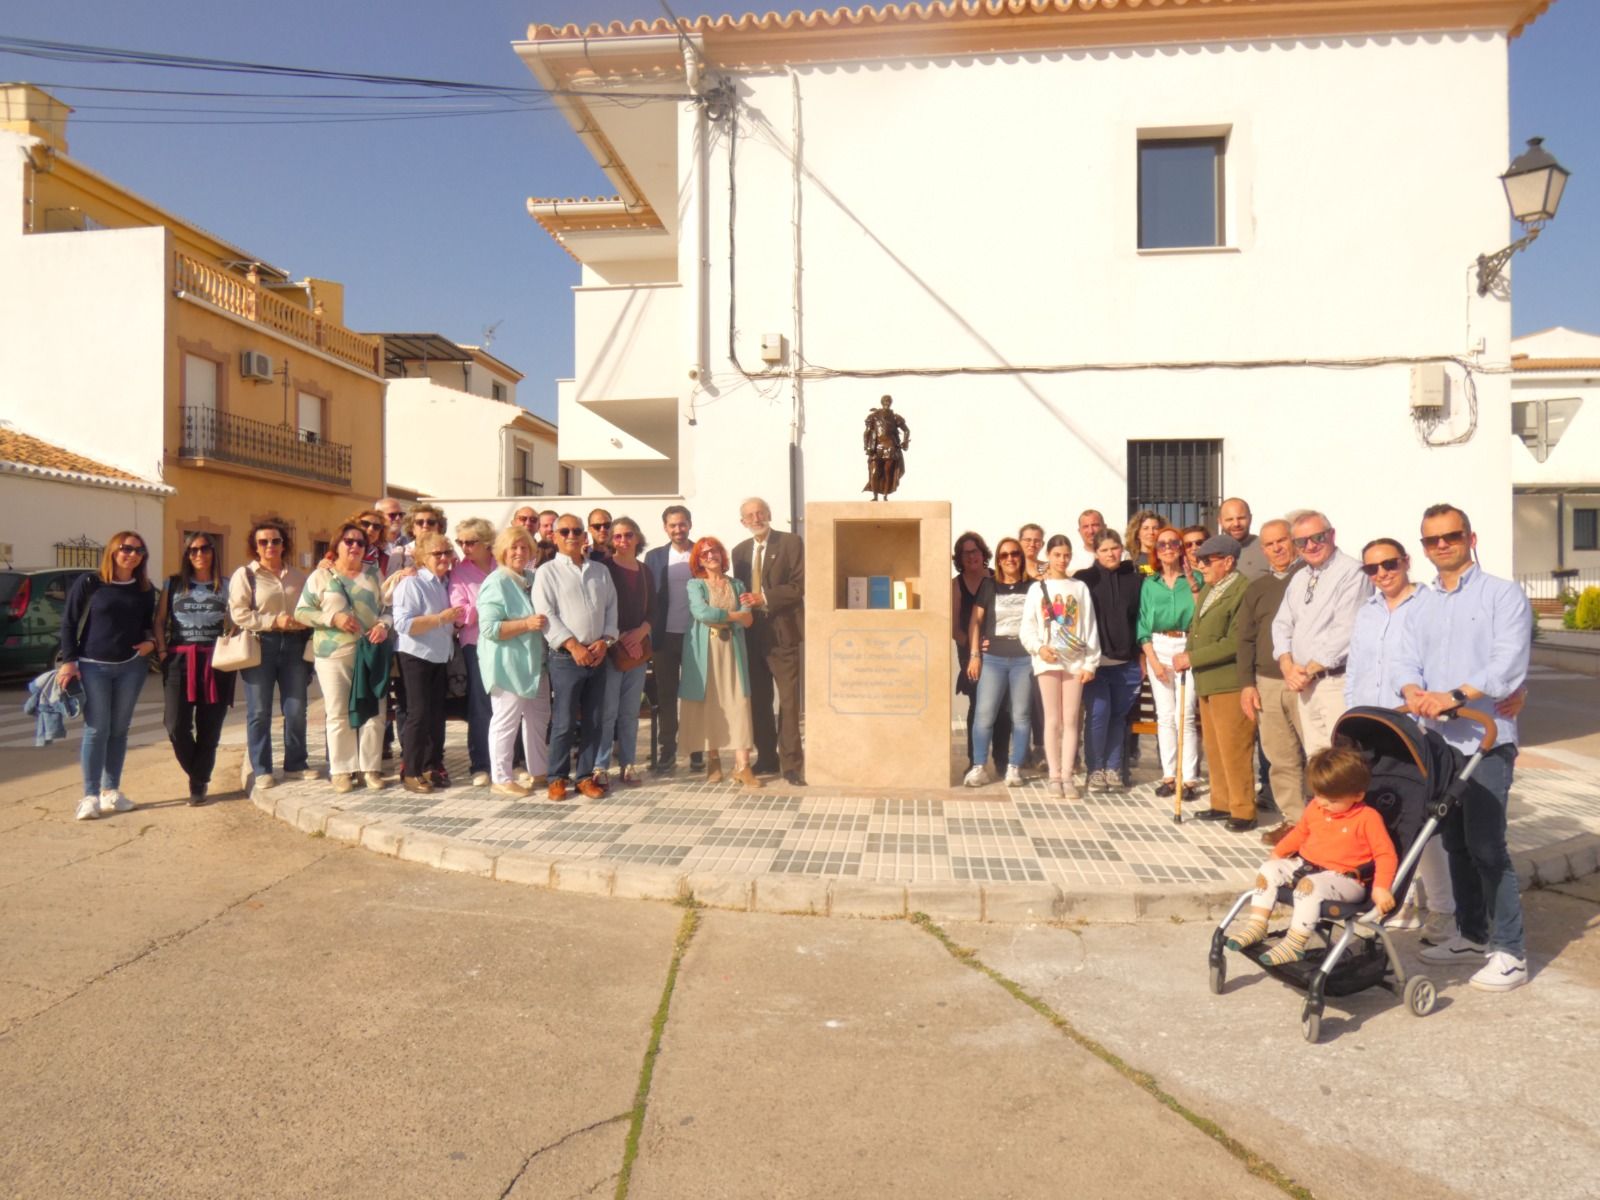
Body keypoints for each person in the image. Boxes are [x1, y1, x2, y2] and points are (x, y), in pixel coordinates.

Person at [1398, 505, 1534, 992]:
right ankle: (1473, 935)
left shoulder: (1503, 595)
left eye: (1450, 536)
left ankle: (1511, 951)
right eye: (1431, 539)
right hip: (1438, 743)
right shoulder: (1422, 604)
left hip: (1485, 739)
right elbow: (1405, 659)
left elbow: (1508, 666)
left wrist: (1454, 697)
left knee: (1486, 847)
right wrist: (1412, 691)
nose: (1441, 546)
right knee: (1453, 842)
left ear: (1470, 538)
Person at [1224, 747, 1397, 965]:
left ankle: (1294, 944)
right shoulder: (1317, 807)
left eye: (1332, 800)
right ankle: (1257, 925)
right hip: (1309, 868)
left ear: (1358, 795)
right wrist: (1279, 853)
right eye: (1318, 795)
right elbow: (1300, 833)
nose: (1323, 803)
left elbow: (1385, 855)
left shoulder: (1367, 818)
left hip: (1346, 881)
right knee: (1268, 870)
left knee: (1309, 886)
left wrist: (1381, 887)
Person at [58, 531, 158, 821]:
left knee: (119, 730)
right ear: (113, 550)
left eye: (140, 551)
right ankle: (89, 796)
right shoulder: (90, 583)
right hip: (92, 666)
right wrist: (69, 661)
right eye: (126, 548)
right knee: (96, 729)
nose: (132, 554)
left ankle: (111, 790)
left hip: (131, 666)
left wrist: (150, 644)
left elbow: (147, 625)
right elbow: (69, 622)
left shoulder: (143, 588)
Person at [296, 522, 390, 795]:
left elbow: (388, 609)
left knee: (375, 709)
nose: (355, 547)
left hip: (370, 651)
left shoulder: (374, 574)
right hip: (333, 653)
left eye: (361, 543)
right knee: (338, 712)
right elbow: (302, 612)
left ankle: (370, 768)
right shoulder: (321, 577)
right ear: (336, 545)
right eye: (349, 541)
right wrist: (332, 618)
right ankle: (342, 770)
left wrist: (383, 626)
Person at [1271, 511, 1371, 755]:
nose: (1311, 545)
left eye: (1318, 537)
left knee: (1341, 760)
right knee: (1316, 760)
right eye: (1302, 541)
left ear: (1332, 535)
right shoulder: (1300, 577)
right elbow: (1281, 623)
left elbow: (1346, 631)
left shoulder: (1353, 572)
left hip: (1335, 683)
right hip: (1304, 685)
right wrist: (1286, 664)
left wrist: (1306, 671)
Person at [535, 514, 619, 801]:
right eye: (565, 531)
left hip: (598, 655)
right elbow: (546, 614)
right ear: (555, 537)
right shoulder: (547, 572)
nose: (572, 535)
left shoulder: (600, 571)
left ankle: (584, 777)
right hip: (566, 657)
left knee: (594, 719)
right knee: (564, 720)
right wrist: (573, 646)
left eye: (577, 530)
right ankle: (557, 777)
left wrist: (605, 641)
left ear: (585, 536)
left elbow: (611, 608)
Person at [1174, 534, 1255, 830]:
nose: (1201, 566)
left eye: (1207, 561)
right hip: (1207, 680)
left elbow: (1235, 641)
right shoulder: (1210, 588)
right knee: (1216, 747)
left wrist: (1192, 659)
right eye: (1199, 561)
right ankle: (1221, 802)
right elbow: (1198, 629)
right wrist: (1188, 653)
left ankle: (1244, 810)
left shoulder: (1243, 590)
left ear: (1228, 561)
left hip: (1230, 680)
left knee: (1235, 748)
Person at [1236, 519, 1306, 845]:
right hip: (1267, 681)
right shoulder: (1257, 589)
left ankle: (1323, 825)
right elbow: (1246, 639)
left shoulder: (1309, 579)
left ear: (1293, 541)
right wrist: (1247, 684)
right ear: (1262, 550)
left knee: (1318, 755)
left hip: (1305, 681)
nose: (1277, 548)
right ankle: (1294, 822)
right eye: (1269, 544)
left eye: (1282, 541)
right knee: (1281, 758)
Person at [154, 533, 236, 805]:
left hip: (216, 660)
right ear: (187, 555)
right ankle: (199, 772)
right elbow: (160, 620)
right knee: (175, 724)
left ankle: (197, 783)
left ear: (214, 552)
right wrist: (163, 652)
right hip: (180, 658)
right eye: (193, 550)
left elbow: (236, 620)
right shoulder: (174, 583)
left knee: (210, 726)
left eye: (204, 549)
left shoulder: (226, 585)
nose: (199, 554)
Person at [230, 520, 312, 790]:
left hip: (294, 646)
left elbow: (309, 608)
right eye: (263, 542)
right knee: (259, 710)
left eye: (275, 541)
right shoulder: (246, 575)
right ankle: (262, 768)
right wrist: (273, 621)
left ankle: (296, 764)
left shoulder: (299, 577)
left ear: (283, 544)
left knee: (297, 708)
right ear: (255, 547)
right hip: (260, 644)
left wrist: (303, 621)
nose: (270, 546)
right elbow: (239, 613)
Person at [734, 497, 806, 785]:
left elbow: (799, 586)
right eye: (750, 515)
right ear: (743, 522)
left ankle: (791, 765)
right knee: (759, 701)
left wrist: (764, 598)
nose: (756, 518)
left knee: (788, 702)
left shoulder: (790, 543)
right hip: (750, 636)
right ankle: (767, 757)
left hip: (783, 635)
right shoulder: (738, 552)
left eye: (760, 512)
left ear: (769, 514)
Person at [1021, 535, 1099, 798]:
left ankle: (1068, 775)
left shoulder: (1080, 588)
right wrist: (1039, 648)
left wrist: (1091, 662)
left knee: (1071, 720)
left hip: (1075, 661)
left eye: (1066, 555)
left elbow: (1089, 626)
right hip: (1048, 661)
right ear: (1049, 555)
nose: (1062, 559)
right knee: (1052, 720)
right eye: (1057, 555)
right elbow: (1028, 627)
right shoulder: (1037, 589)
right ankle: (1054, 775)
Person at [681, 536, 762, 787]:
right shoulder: (695, 585)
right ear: (698, 560)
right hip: (706, 651)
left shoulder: (737, 584)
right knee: (710, 703)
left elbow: (748, 620)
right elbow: (701, 613)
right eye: (704, 554)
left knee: (739, 702)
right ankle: (713, 760)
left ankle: (742, 766)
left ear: (721, 555)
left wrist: (735, 616)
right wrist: (734, 615)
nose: (710, 556)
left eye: (714, 551)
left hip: (733, 650)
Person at [476, 527, 550, 797]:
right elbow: (489, 628)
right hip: (507, 664)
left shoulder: (531, 578)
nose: (519, 552)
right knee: (506, 721)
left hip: (535, 664)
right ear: (502, 552)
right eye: (513, 548)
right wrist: (526, 624)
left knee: (539, 718)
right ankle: (502, 777)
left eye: (524, 548)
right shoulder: (496, 581)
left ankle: (539, 771)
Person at [391, 533, 461, 795]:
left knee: (435, 715)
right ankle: (411, 771)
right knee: (418, 714)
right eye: (437, 554)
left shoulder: (444, 583)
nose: (444, 558)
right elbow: (404, 624)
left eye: (447, 552)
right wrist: (441, 619)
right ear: (422, 556)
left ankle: (431, 765)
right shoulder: (412, 584)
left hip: (439, 655)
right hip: (416, 655)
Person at [963, 537, 1034, 787]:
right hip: (992, 658)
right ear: (998, 560)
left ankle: (1014, 767)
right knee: (984, 714)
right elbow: (975, 621)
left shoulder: (1034, 587)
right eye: (1004, 555)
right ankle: (979, 766)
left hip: (1024, 659)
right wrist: (975, 655)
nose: (1010, 559)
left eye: (1014, 554)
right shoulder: (989, 586)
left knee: (1021, 715)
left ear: (1021, 557)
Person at [1076, 530, 1142, 791]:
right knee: (1098, 715)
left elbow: (1140, 617)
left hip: (1126, 663)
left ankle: (1113, 769)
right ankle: (1094, 770)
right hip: (1096, 664)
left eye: (1115, 548)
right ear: (1095, 552)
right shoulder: (1084, 580)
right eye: (1104, 550)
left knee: (1118, 717)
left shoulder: (1134, 579)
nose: (1111, 554)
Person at [1137, 526, 1199, 799]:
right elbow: (1142, 626)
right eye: (1162, 545)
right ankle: (1169, 774)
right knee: (1165, 716)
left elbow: (1202, 613)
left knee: (1185, 715)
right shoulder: (1150, 584)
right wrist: (1154, 662)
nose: (1168, 548)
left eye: (1174, 543)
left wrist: (1192, 581)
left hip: (1187, 646)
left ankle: (1190, 778)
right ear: (1155, 552)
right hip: (1159, 647)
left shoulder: (1195, 579)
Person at [600, 517, 654, 785]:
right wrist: (621, 637)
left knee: (630, 712)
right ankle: (600, 766)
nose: (623, 540)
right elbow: (598, 608)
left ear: (637, 538)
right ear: (611, 541)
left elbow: (654, 608)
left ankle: (628, 764)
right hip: (611, 648)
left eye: (628, 535)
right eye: (618, 536)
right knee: (607, 711)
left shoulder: (645, 571)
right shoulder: (603, 568)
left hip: (637, 652)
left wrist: (641, 633)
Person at [644, 505, 699, 773]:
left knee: (695, 696)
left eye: (682, 524)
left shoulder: (701, 553)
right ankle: (668, 750)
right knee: (666, 696)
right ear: (665, 528)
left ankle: (697, 750)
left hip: (696, 637)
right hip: (664, 637)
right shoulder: (654, 557)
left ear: (690, 524)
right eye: (673, 525)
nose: (678, 529)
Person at [449, 518, 497, 787]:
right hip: (475, 644)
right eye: (461, 542)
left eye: (471, 542)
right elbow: (460, 612)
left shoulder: (502, 563)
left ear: (486, 542)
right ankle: (480, 763)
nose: (465, 547)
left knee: (508, 704)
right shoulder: (459, 571)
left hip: (506, 642)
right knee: (481, 705)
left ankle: (509, 761)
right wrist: (491, 607)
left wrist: (480, 608)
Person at [951, 531, 992, 770]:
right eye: (965, 553)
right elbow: (954, 628)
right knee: (977, 706)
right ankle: (974, 760)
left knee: (1004, 707)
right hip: (969, 652)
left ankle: (1000, 757)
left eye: (974, 551)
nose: (971, 556)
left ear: (982, 552)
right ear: (960, 557)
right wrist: (975, 648)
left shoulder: (996, 578)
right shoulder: (956, 585)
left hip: (999, 650)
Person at [863, 394, 910, 500]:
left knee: (888, 472)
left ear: (891, 402)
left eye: (889, 400)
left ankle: (885, 495)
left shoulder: (895, 417)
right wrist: (866, 446)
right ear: (882, 402)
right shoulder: (873, 416)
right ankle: (875, 496)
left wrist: (905, 442)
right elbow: (867, 432)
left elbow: (906, 430)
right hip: (876, 448)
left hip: (891, 448)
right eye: (885, 400)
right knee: (874, 472)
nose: (887, 402)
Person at [1219, 497, 1270, 580]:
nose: (1236, 524)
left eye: (1241, 518)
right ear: (1220, 522)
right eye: (1229, 519)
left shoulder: (1268, 547)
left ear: (1250, 518)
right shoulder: (1211, 552)